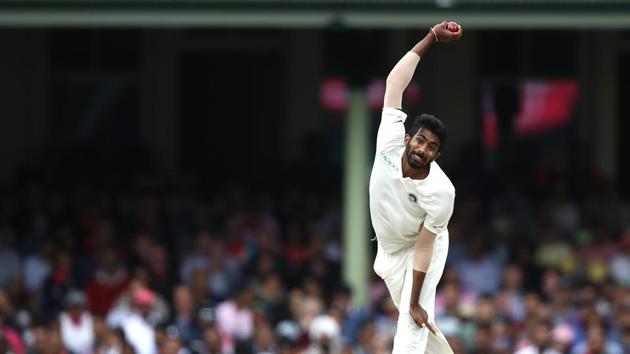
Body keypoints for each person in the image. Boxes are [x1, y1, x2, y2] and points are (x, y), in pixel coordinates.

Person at [370, 21, 462, 353]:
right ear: (409, 138)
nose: (422, 149)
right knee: (422, 322)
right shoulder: (390, 141)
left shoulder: (441, 191)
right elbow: (395, 82)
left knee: (411, 320)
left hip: (423, 248)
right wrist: (431, 38)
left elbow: (425, 246)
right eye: (420, 140)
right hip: (388, 252)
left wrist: (415, 296)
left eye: (431, 147)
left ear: (437, 154)